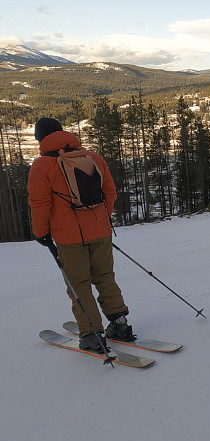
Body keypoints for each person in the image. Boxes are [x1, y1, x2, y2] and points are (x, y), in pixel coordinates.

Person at [27, 118, 134, 352]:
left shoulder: (42, 166)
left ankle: (92, 335)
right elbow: (110, 191)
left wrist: (41, 233)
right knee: (105, 276)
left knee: (79, 284)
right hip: (101, 231)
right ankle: (120, 324)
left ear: (41, 138)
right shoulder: (92, 158)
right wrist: (100, 218)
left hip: (69, 238)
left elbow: (40, 204)